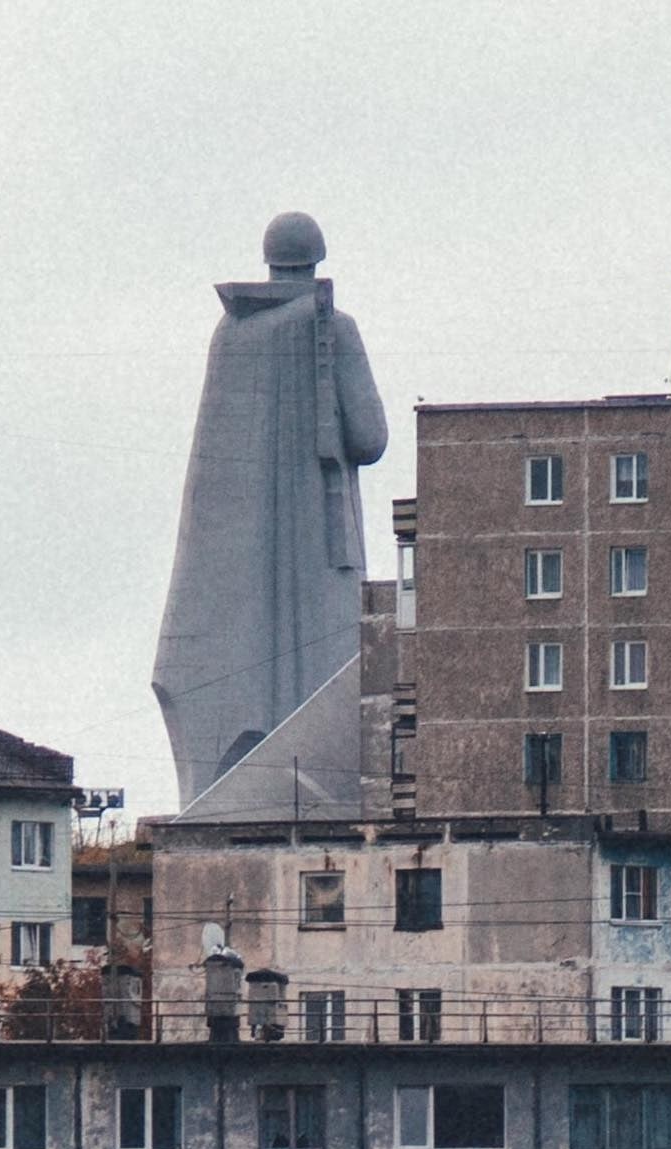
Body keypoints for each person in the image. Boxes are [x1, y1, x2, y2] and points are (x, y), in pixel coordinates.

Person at [153, 212, 388, 808]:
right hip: (323, 558)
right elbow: (370, 438)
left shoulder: (231, 334)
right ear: (317, 259)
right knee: (328, 685)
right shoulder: (333, 325)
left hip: (238, 577)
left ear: (269, 259)